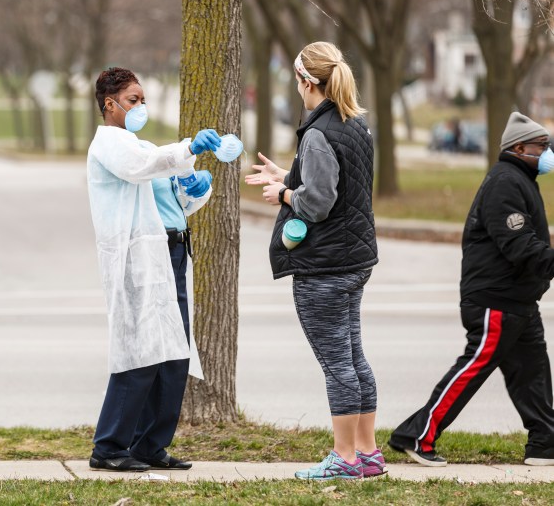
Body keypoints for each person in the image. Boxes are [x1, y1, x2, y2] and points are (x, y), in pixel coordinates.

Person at [246, 41, 382, 480]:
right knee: (354, 357)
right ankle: (368, 454)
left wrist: (283, 193)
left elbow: (319, 201)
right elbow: (338, 180)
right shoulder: (354, 125)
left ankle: (343, 459)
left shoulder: (319, 131)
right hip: (354, 260)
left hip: (324, 264)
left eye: (297, 80)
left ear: (307, 82)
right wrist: (287, 174)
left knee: (337, 364)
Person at [389, 112, 554, 467]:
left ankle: (545, 443)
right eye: (543, 147)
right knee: (472, 369)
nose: (547, 153)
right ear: (520, 147)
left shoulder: (520, 179)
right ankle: (417, 435)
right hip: (496, 300)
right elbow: (519, 245)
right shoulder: (505, 182)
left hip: (519, 300)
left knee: (533, 371)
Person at [86, 66, 222, 472]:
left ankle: (150, 446)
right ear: (109, 105)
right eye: (133, 100)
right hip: (136, 260)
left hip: (170, 255)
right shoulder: (110, 144)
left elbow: (168, 198)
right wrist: (186, 148)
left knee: (174, 355)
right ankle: (109, 447)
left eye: (143, 100)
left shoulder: (138, 144)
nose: (141, 107)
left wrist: (194, 188)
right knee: (141, 353)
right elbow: (139, 167)